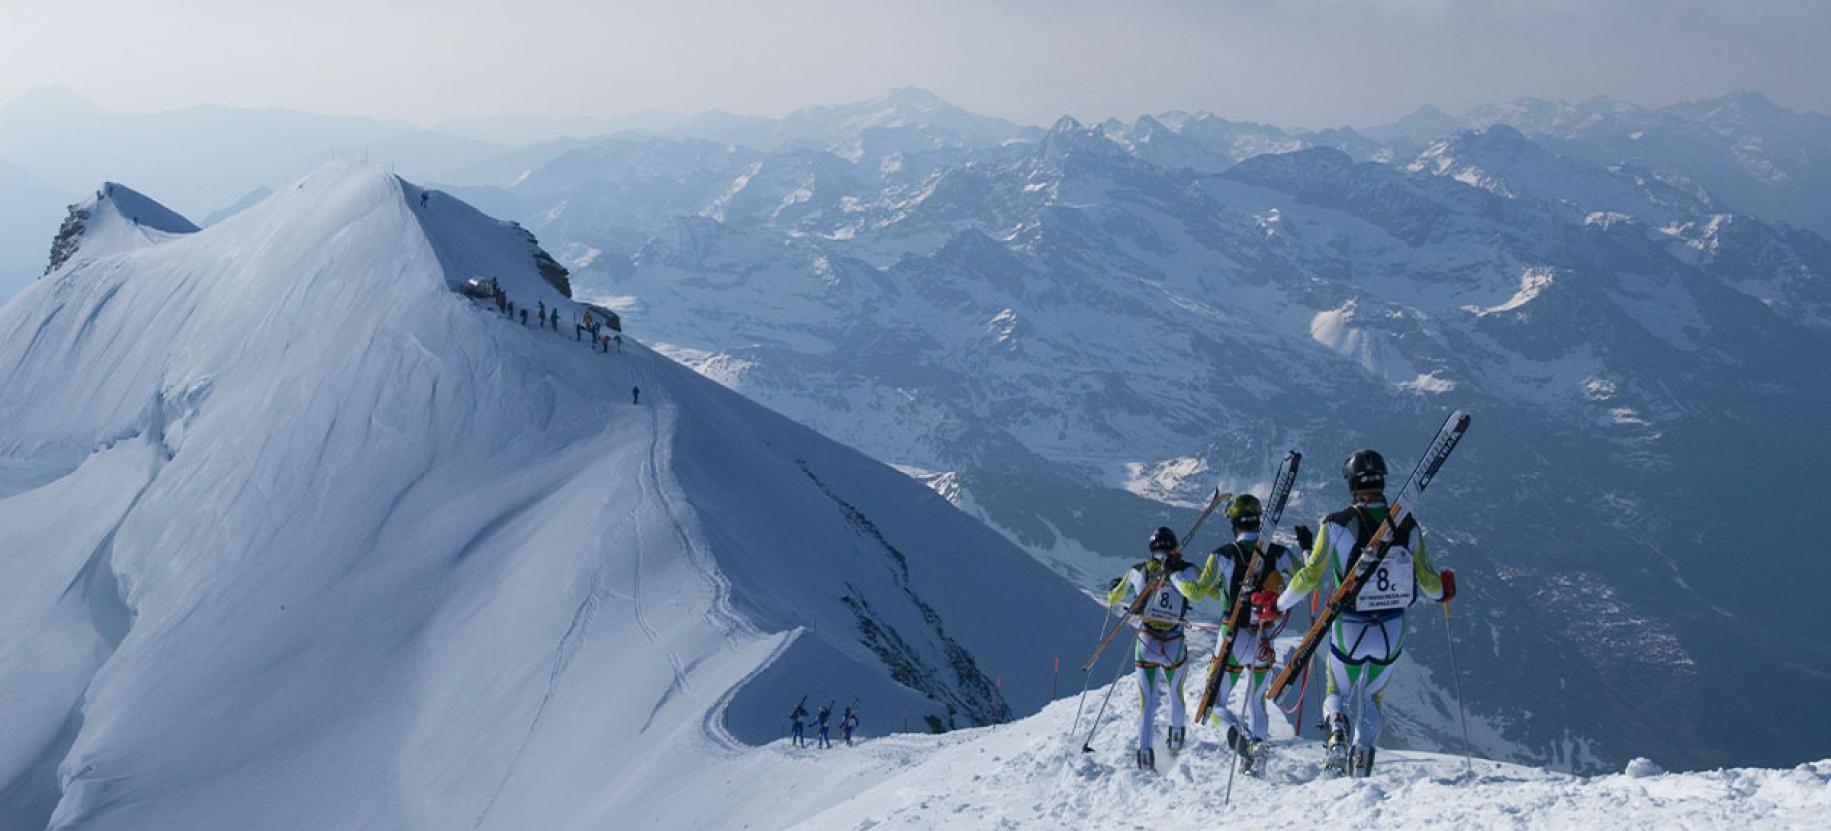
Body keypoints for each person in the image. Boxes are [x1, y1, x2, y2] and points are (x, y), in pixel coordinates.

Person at [1275, 449, 1455, 778]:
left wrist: (1278, 604)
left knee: (1336, 691)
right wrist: (1444, 589)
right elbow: (1429, 584)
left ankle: (1337, 734)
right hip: (1392, 628)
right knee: (1372, 697)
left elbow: (1311, 576)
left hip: (1350, 626)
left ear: (1351, 484)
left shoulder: (1335, 523)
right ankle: (1362, 759)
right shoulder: (1409, 524)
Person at [1197, 494, 1306, 776]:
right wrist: (1306, 548)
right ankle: (1257, 755)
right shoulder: (1280, 554)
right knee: (1257, 702)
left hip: (1231, 635)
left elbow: (1197, 591)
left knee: (1215, 703)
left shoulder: (1221, 555)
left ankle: (1238, 735)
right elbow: (1306, 578)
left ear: (1233, 522)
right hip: (1264, 637)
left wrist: (1174, 575)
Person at [1105, 526, 1203, 770]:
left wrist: (1113, 587)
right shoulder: (1186, 571)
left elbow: (1114, 598)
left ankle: (1144, 755)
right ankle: (1175, 744)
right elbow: (1203, 588)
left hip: (1146, 640)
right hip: (1174, 643)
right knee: (1176, 694)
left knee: (1146, 701)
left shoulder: (1139, 571)